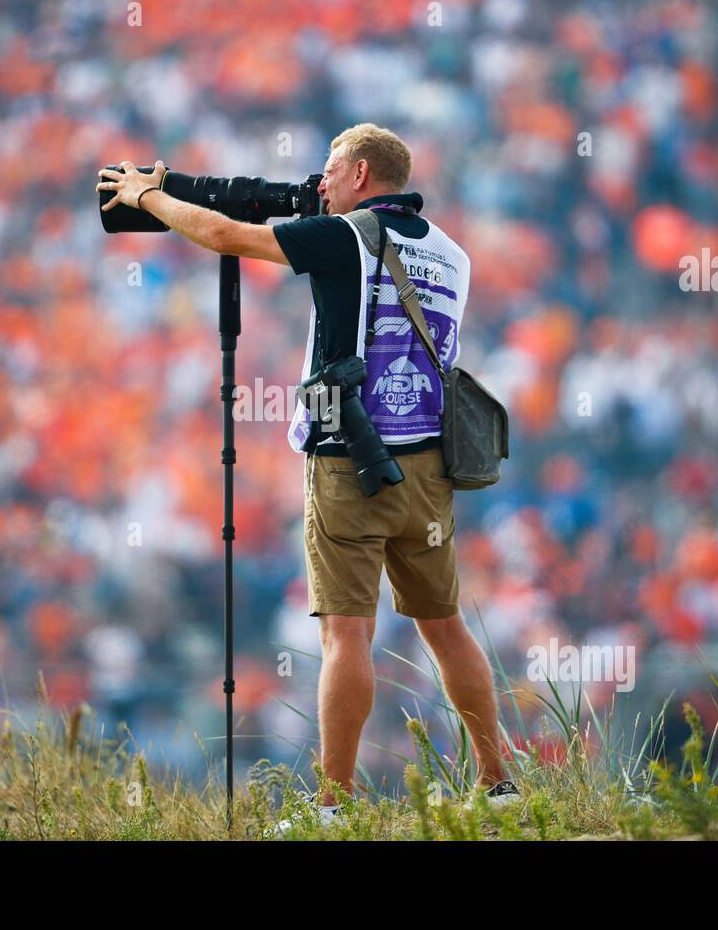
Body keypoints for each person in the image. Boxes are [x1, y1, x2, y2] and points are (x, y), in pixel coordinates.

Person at [97, 123, 521, 828]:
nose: (318, 185)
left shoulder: (346, 237)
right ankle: (498, 780)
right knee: (445, 627)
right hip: (430, 468)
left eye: (328, 172)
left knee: (344, 636)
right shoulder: (453, 254)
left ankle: (335, 805)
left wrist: (153, 196)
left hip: (348, 461)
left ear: (359, 172)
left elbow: (231, 238)